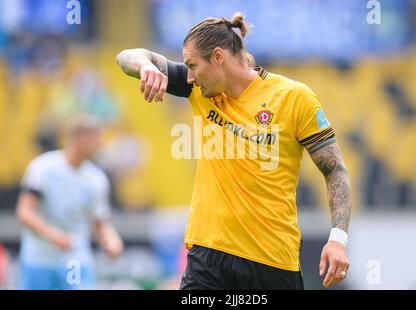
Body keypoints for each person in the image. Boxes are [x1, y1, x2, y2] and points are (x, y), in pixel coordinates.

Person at [116, 12, 351, 290]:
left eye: (193, 65)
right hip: (207, 255)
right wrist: (146, 66)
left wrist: (337, 238)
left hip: (271, 261)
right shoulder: (199, 91)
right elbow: (125, 57)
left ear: (218, 57)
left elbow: (334, 169)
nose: (189, 77)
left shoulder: (293, 98)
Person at [16, 115, 123, 290]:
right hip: (39, 258)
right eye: (96, 138)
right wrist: (53, 235)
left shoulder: (97, 179)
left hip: (76, 259)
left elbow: (99, 222)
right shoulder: (43, 168)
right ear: (79, 139)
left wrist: (111, 239)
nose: (100, 144)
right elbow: (24, 211)